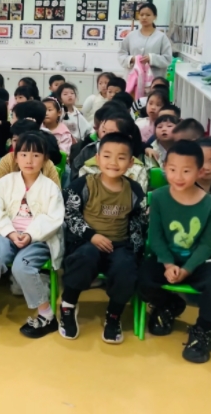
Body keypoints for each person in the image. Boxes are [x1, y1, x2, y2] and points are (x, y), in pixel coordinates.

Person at [138, 141, 211, 364]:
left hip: (198, 263)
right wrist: (168, 264)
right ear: (164, 168)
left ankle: (202, 330)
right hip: (166, 260)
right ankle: (168, 304)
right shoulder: (158, 197)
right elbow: (156, 237)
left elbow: (208, 244)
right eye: (172, 169)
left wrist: (187, 269)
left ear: (199, 172)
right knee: (140, 279)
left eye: (186, 171)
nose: (178, 176)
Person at [0, 132, 64, 335]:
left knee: (23, 267)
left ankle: (47, 315)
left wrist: (30, 235)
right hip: (7, 234)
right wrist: (11, 233)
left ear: (45, 159)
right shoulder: (5, 182)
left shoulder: (50, 188)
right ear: (15, 157)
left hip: (38, 239)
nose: (29, 160)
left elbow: (54, 219)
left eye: (36, 155)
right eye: (23, 154)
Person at [59, 133, 147, 343]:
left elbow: (138, 222)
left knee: (126, 268)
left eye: (121, 157)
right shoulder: (83, 185)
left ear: (131, 162)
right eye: (107, 156)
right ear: (97, 159)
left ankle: (114, 315)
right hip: (86, 242)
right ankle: (68, 305)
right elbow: (70, 214)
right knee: (84, 258)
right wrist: (91, 236)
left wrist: (136, 252)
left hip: (120, 245)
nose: (113, 162)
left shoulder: (134, 190)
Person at [0, 120, 61, 188]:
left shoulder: (47, 165)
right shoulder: (6, 162)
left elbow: (56, 192)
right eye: (15, 140)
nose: (19, 145)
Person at [117, 2, 174, 80]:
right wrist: (131, 59)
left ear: (155, 17)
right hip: (133, 80)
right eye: (141, 15)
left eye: (148, 15)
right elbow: (121, 54)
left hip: (154, 79)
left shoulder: (161, 37)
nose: (144, 17)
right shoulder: (131, 36)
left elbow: (167, 59)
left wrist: (151, 58)